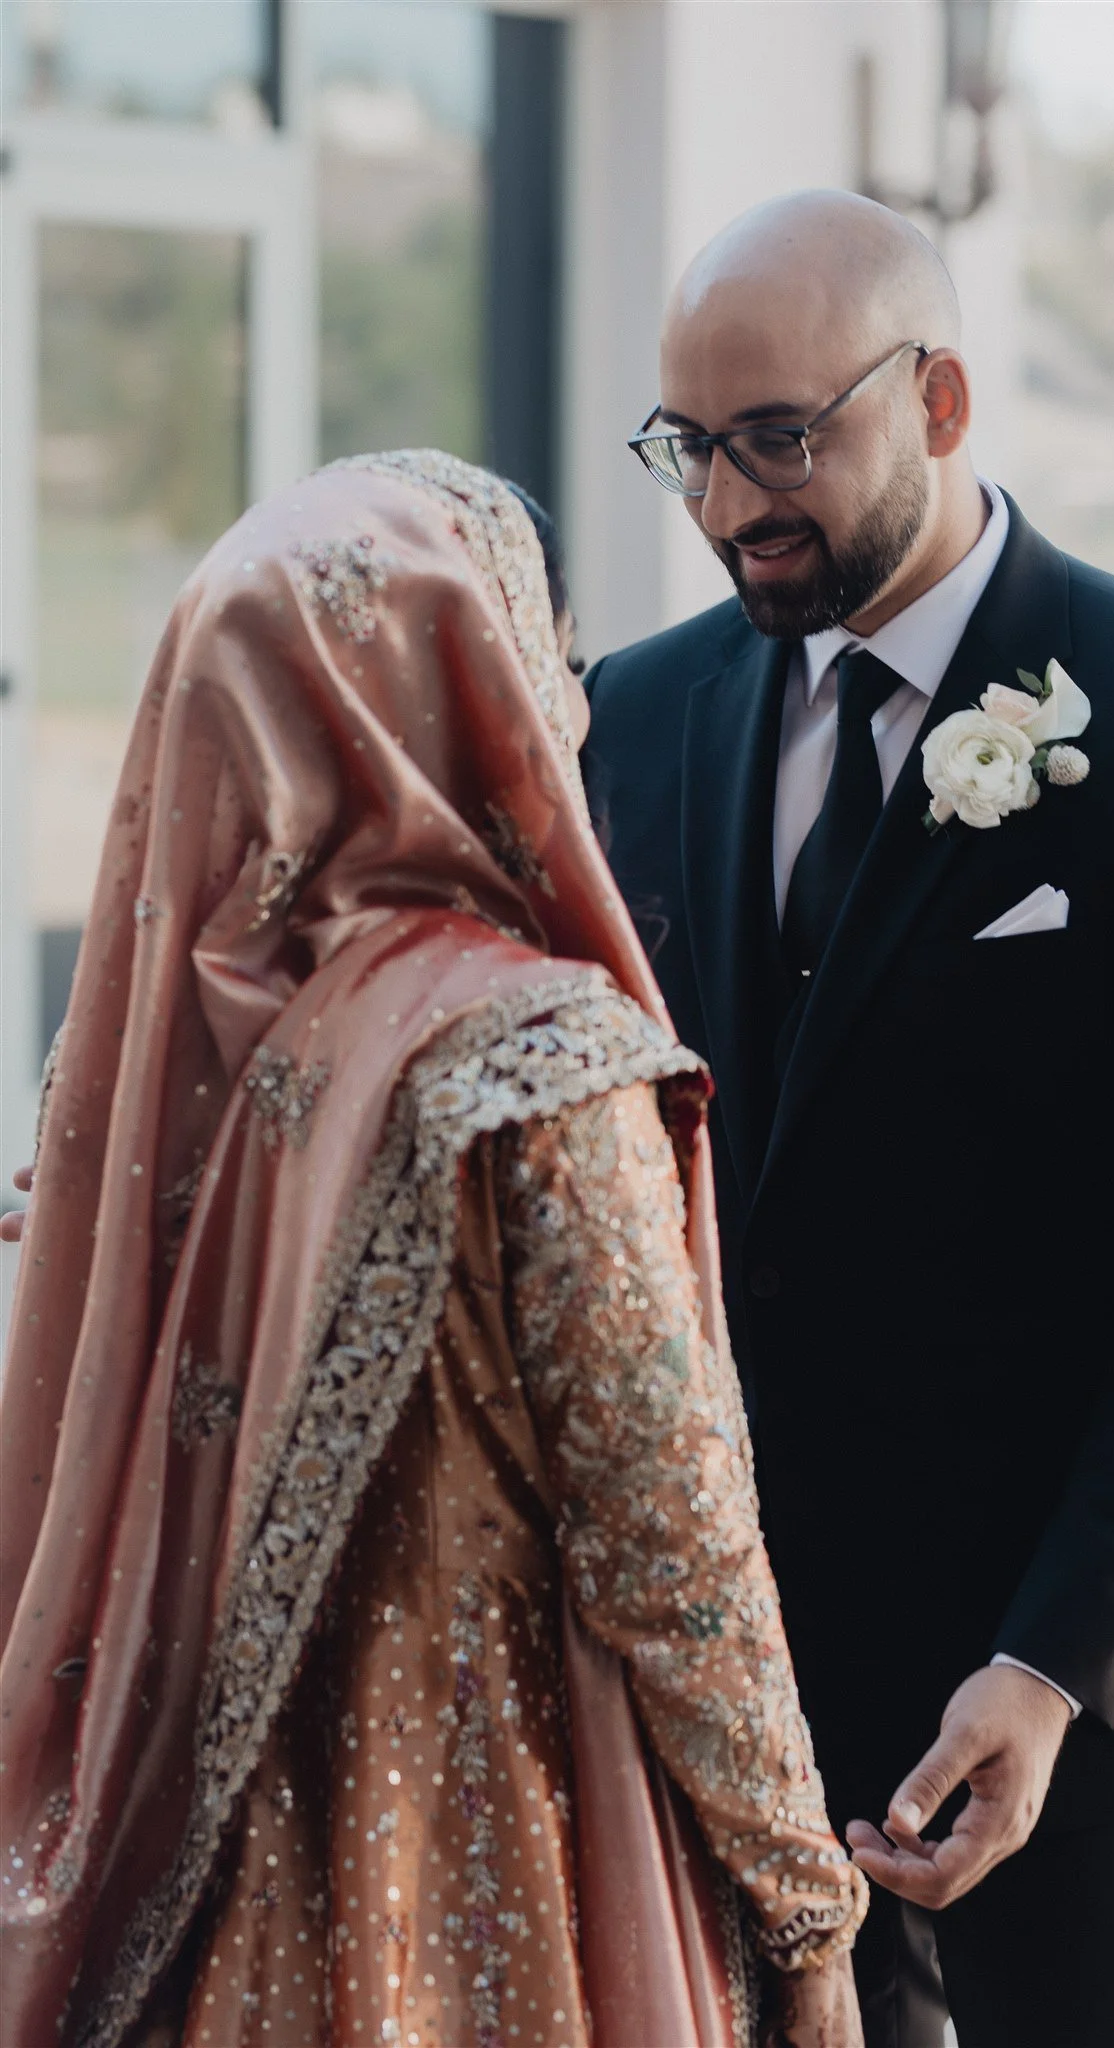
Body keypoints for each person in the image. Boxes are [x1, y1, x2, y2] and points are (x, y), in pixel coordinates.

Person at [582, 190, 1114, 2047]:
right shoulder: (632, 711)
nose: (730, 501)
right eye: (690, 446)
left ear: (937, 401)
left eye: (782, 437)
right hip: (743, 1660)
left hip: (1074, 1693)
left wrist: (1045, 1669)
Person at [0, 452, 867, 2048]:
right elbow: (675, 1548)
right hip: (498, 1869)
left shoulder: (172, 1066)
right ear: (471, 684)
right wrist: (808, 1905)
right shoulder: (533, 1062)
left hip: (218, 1891)